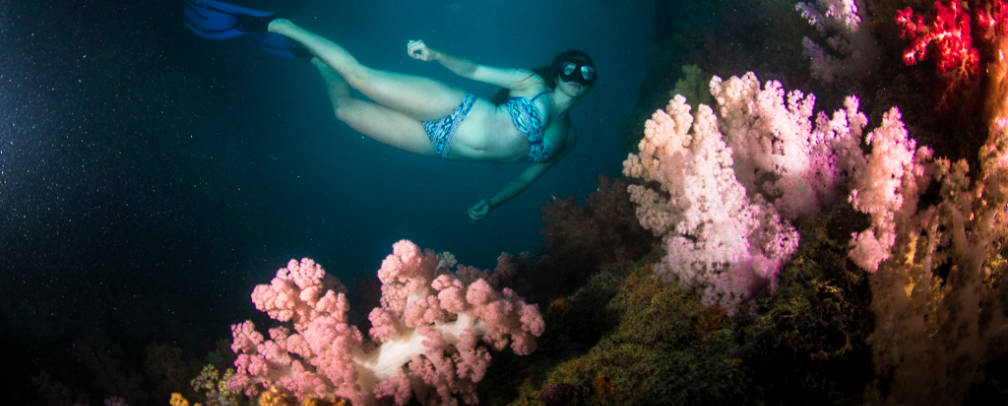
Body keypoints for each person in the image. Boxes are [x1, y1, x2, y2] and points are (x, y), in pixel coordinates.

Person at [184, 0, 597, 220]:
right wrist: (436, 55)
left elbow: (529, 175)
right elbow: (475, 69)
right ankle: (280, 25)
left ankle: (313, 60)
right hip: (456, 107)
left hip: (439, 146)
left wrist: (493, 202)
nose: (576, 74)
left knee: (344, 111)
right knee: (361, 77)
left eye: (585, 71)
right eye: (570, 66)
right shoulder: (532, 84)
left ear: (591, 81)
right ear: (558, 70)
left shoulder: (569, 137)